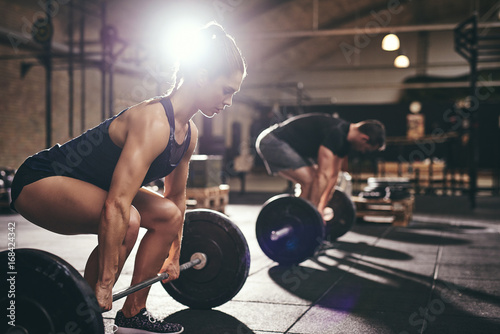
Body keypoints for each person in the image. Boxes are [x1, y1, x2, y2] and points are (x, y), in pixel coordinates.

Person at [10, 22, 246, 334]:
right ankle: (77, 313)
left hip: (96, 189)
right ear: (202, 76)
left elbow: (175, 199)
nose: (228, 101)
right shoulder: (153, 123)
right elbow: (117, 204)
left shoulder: (188, 135)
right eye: (226, 90)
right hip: (39, 180)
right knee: (129, 219)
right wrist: (106, 284)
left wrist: (175, 254)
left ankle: (133, 313)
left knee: (167, 215)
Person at [255, 113, 385, 217]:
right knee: (310, 180)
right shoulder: (336, 132)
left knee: (312, 181)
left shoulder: (345, 143)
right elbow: (322, 176)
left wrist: (321, 207)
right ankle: (298, 219)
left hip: (293, 148)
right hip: (272, 140)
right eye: (367, 149)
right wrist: (314, 212)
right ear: (364, 138)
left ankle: (297, 217)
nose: (363, 151)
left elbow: (333, 176)